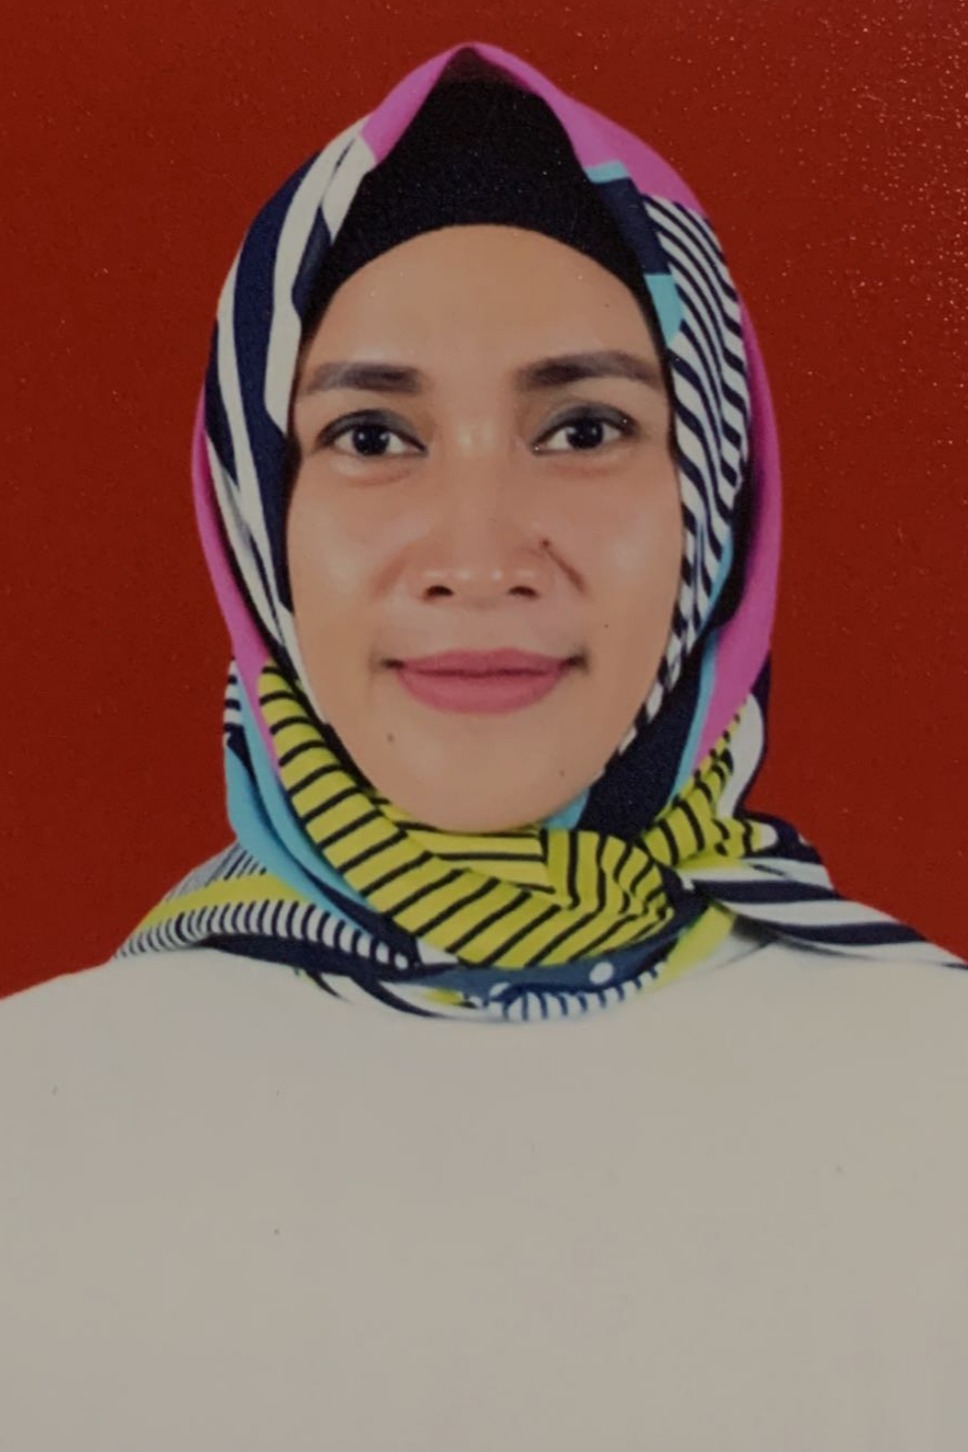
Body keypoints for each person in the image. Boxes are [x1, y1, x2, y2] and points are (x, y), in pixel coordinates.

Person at [1, 40, 965, 1449]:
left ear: (715, 496)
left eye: (583, 427)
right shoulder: (38, 1126)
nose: (478, 555)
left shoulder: (937, 1098)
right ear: (259, 512)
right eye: (371, 436)